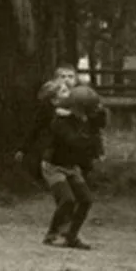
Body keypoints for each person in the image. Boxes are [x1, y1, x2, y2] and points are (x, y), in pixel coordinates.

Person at [39, 84, 107, 249]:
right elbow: (74, 142)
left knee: (86, 200)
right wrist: (91, 138)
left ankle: (71, 235)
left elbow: (100, 124)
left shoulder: (84, 121)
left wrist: (97, 118)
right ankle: (53, 233)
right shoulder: (60, 122)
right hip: (53, 166)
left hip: (71, 166)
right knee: (67, 200)